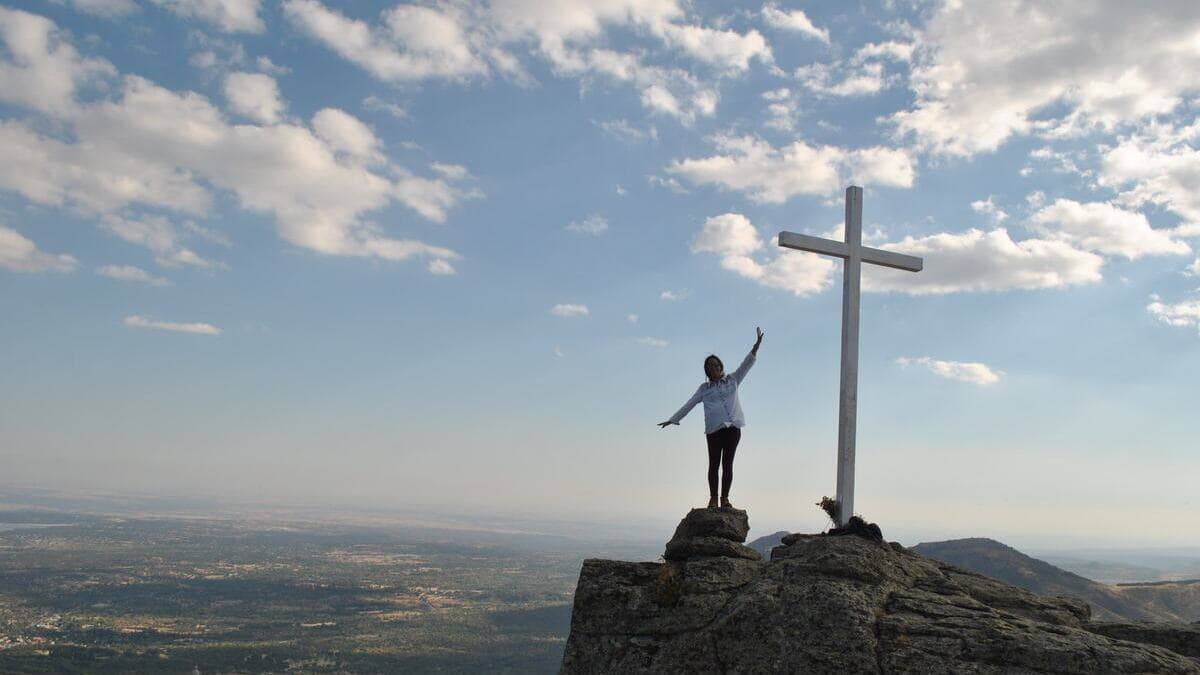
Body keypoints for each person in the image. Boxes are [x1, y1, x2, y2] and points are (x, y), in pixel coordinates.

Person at [658, 327, 763, 509]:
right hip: (714, 430)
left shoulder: (733, 379)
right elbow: (689, 404)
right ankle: (713, 498)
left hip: (733, 428)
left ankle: (725, 499)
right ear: (706, 371)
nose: (713, 368)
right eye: (709, 367)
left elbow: (746, 364)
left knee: (727, 464)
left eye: (715, 365)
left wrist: (756, 347)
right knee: (714, 465)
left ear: (720, 366)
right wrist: (673, 419)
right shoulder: (704, 389)